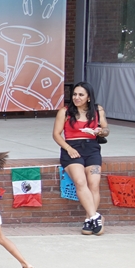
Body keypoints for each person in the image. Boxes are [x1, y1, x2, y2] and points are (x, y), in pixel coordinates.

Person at [53, 82, 109, 236]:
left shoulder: (97, 110)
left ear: (88, 97)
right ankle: (96, 217)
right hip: (71, 149)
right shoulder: (65, 111)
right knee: (80, 181)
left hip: (92, 148)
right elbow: (56, 134)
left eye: (81, 95)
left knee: (94, 184)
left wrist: (100, 131)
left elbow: (106, 129)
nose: (76, 97)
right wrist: (69, 148)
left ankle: (89, 219)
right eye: (75, 94)